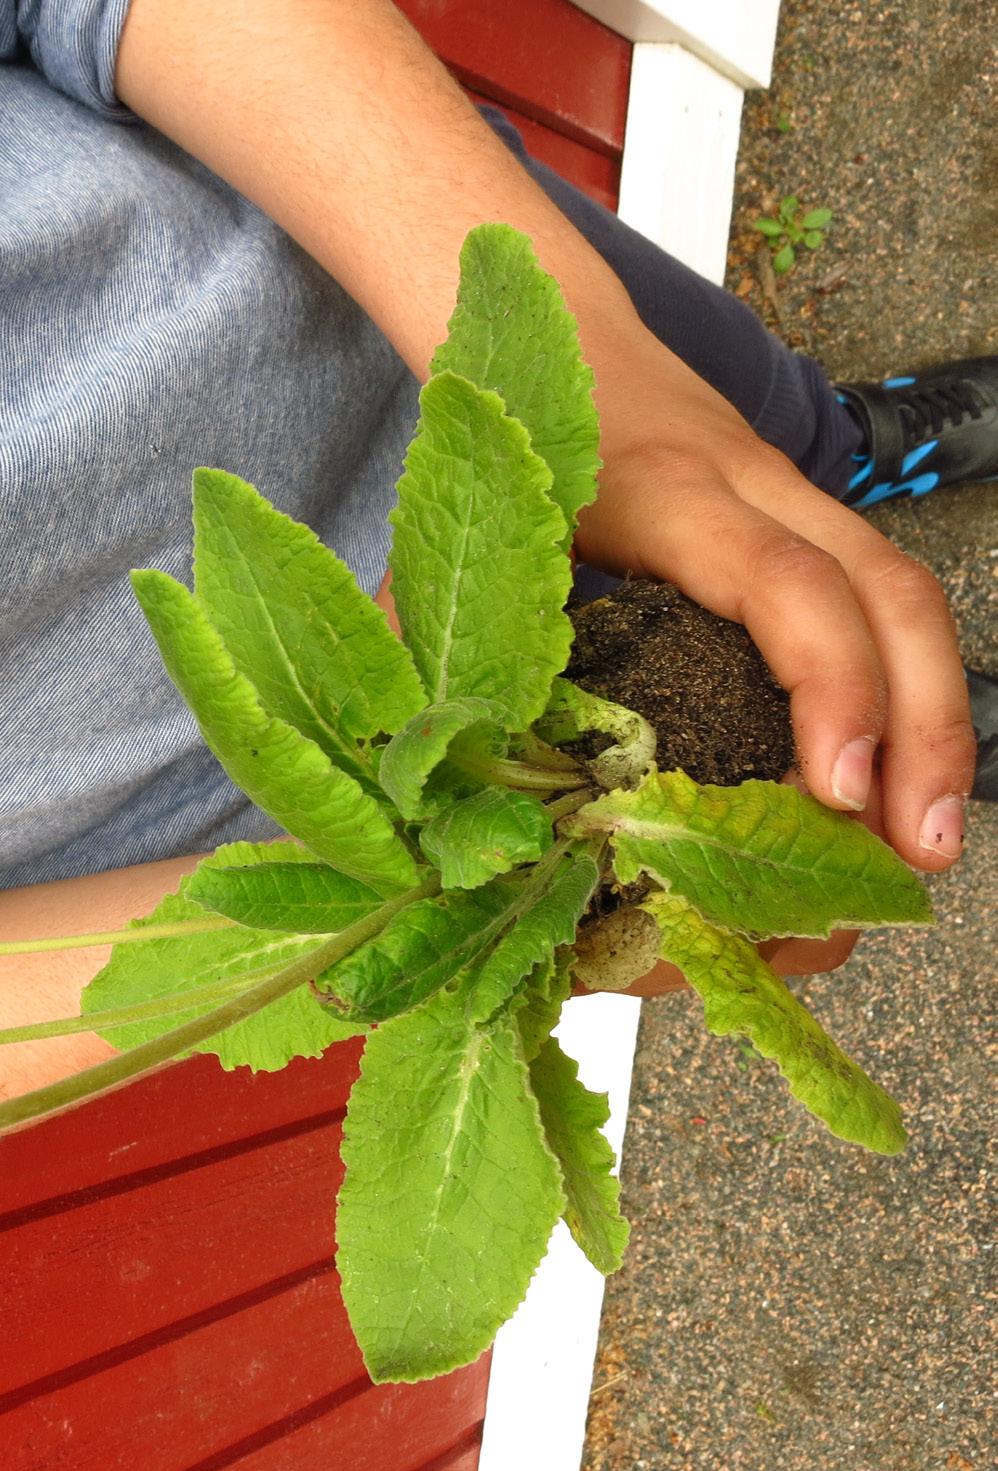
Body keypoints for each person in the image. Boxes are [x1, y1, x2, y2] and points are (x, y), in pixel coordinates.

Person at [0, 0, 993, 1098]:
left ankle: (858, 445)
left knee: (755, 441)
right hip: (347, 798)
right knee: (808, 718)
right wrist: (447, 912)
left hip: (397, 282)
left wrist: (611, 382)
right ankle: (900, 742)